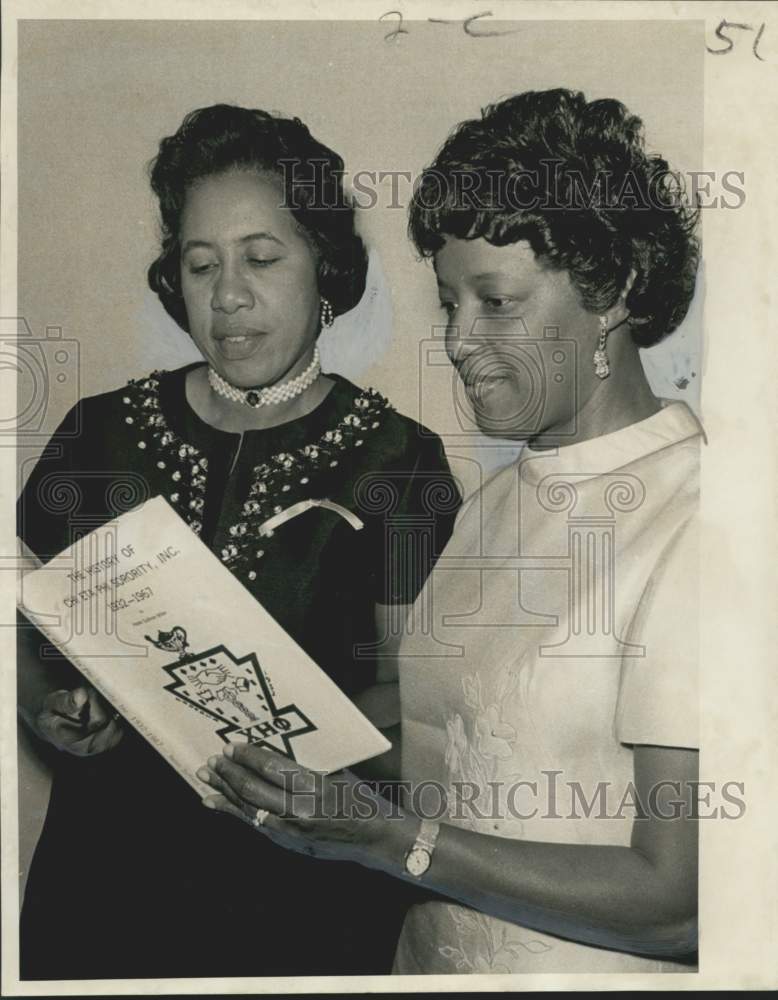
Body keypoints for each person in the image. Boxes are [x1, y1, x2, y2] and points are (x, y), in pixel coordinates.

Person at [199, 88, 704, 975]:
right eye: (447, 305)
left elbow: (679, 904)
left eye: (496, 303)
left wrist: (390, 841)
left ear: (613, 290)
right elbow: (460, 751)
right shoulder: (494, 502)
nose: (460, 341)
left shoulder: (702, 515)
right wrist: (267, 739)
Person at [16, 104, 461, 979]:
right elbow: (36, 627)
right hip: (104, 882)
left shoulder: (397, 460)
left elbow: (415, 698)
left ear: (324, 268)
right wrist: (47, 701)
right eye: (200, 264)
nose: (228, 295)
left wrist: (284, 740)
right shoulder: (98, 435)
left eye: (262, 258)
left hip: (302, 885)